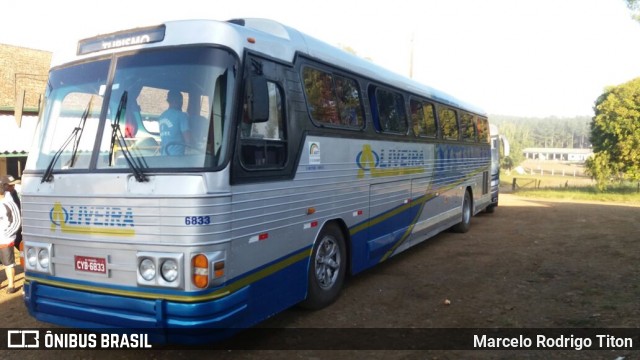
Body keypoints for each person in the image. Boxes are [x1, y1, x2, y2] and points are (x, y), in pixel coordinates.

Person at [0, 176, 21, 294]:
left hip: (6, 237)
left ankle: (11, 284)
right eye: (10, 184)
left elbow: (17, 220)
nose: (12, 186)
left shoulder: (9, 201)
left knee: (8, 262)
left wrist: (8, 234)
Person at [159, 90, 191, 155]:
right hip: (177, 158)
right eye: (181, 101)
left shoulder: (161, 116)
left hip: (164, 156)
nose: (182, 103)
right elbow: (188, 140)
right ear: (177, 101)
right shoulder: (181, 116)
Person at [3, 175, 21, 249]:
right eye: (11, 185)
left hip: (14, 225)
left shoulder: (13, 193)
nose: (13, 186)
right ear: (4, 186)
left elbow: (18, 207)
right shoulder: (4, 197)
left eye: (14, 184)